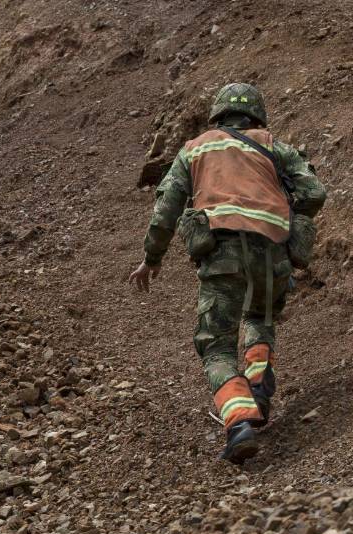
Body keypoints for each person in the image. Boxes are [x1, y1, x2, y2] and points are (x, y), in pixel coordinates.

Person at [129, 82, 327, 463]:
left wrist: (152, 258)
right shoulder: (274, 147)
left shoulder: (196, 148)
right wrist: (287, 217)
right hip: (273, 253)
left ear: (217, 114)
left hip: (223, 255)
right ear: (257, 114)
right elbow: (314, 192)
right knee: (259, 317)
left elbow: (166, 210)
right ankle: (258, 386)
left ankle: (238, 422)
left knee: (217, 345)